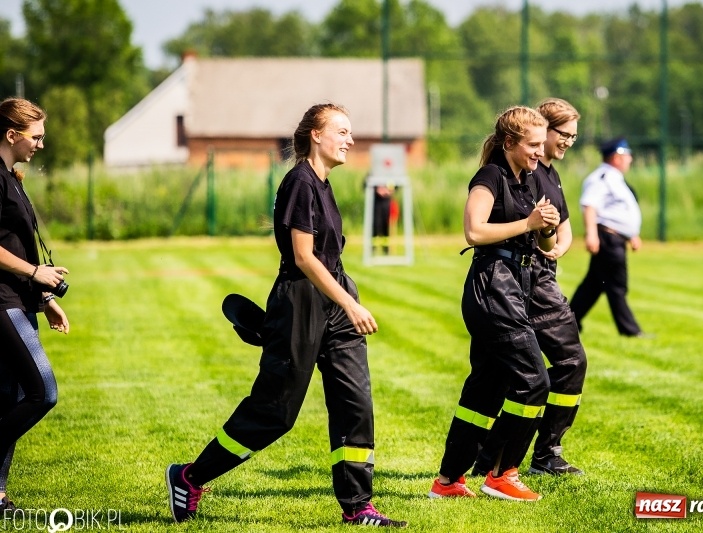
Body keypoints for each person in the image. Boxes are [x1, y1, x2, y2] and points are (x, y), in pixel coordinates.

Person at [165, 103, 407, 528]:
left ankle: (358, 506)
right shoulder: (300, 182)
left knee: (356, 403)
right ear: (316, 134)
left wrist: (345, 299)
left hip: (333, 301)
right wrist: (351, 304)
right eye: (343, 131)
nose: (351, 140)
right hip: (300, 303)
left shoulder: (324, 185)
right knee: (276, 412)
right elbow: (303, 257)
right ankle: (190, 476)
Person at [428, 106, 560, 502]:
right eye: (533, 145)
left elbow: (544, 245)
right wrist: (529, 224)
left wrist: (547, 229)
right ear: (509, 143)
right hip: (492, 287)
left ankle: (448, 481)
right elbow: (473, 230)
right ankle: (502, 473)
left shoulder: (530, 179)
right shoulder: (490, 176)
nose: (540, 152)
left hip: (514, 285)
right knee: (535, 381)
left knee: (486, 389)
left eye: (541, 144)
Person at [473, 98, 588, 476]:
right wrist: (540, 235)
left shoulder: (547, 173)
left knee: (538, 369)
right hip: (514, 279)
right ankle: (508, 461)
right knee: (515, 374)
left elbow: (556, 230)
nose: (568, 142)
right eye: (564, 134)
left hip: (535, 274)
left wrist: (554, 242)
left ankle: (526, 456)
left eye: (573, 135)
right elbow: (480, 230)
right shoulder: (522, 170)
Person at [0, 97, 70, 512]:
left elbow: (16, 242)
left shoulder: (13, 177)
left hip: (22, 299)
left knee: (7, 399)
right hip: (3, 300)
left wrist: (44, 297)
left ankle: (0, 497)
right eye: (36, 137)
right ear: (12, 134)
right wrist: (35, 273)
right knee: (43, 392)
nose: (40, 145)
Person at [569, 137, 649, 337]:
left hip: (615, 238)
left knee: (593, 286)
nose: (630, 159)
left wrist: (632, 235)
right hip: (608, 240)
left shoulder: (615, 178)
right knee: (616, 286)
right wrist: (591, 234)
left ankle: (569, 321)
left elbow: (619, 210)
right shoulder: (602, 178)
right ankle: (630, 330)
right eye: (627, 155)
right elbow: (590, 205)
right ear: (616, 157)